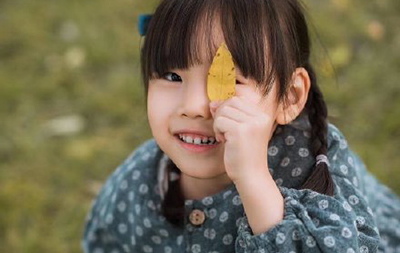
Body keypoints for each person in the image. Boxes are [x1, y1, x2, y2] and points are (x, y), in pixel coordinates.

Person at [82, 0, 400, 252]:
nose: (193, 107)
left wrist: (253, 179)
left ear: (288, 97)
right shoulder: (137, 185)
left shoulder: (316, 170)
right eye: (172, 76)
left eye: (228, 80)